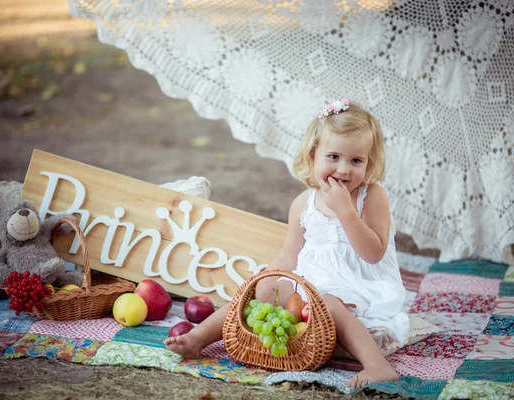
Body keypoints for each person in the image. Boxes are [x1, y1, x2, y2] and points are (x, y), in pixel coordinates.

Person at [165, 99, 409, 389]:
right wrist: (260, 281)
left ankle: (378, 366)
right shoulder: (303, 204)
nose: (344, 169)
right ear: (313, 154)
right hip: (311, 287)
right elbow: (289, 255)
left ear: (369, 162)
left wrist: (346, 211)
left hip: (359, 289)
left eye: (356, 161)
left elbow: (373, 253)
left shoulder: (371, 196)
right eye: (333, 157)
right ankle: (198, 339)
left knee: (328, 305)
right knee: (263, 289)